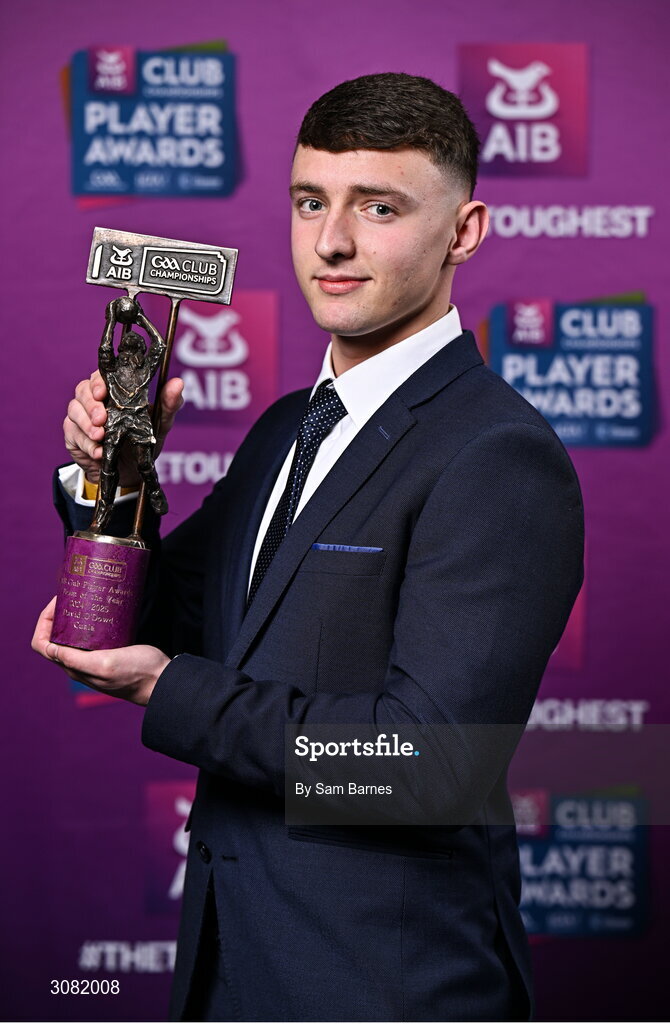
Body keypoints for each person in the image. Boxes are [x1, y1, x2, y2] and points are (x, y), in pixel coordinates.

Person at [33, 72, 584, 1021]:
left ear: (464, 232)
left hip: (383, 991)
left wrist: (170, 691)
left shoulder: (497, 457)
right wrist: (114, 476)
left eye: (379, 207)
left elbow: (424, 768)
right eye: (309, 202)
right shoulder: (286, 427)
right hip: (229, 971)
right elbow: (164, 622)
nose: (331, 241)